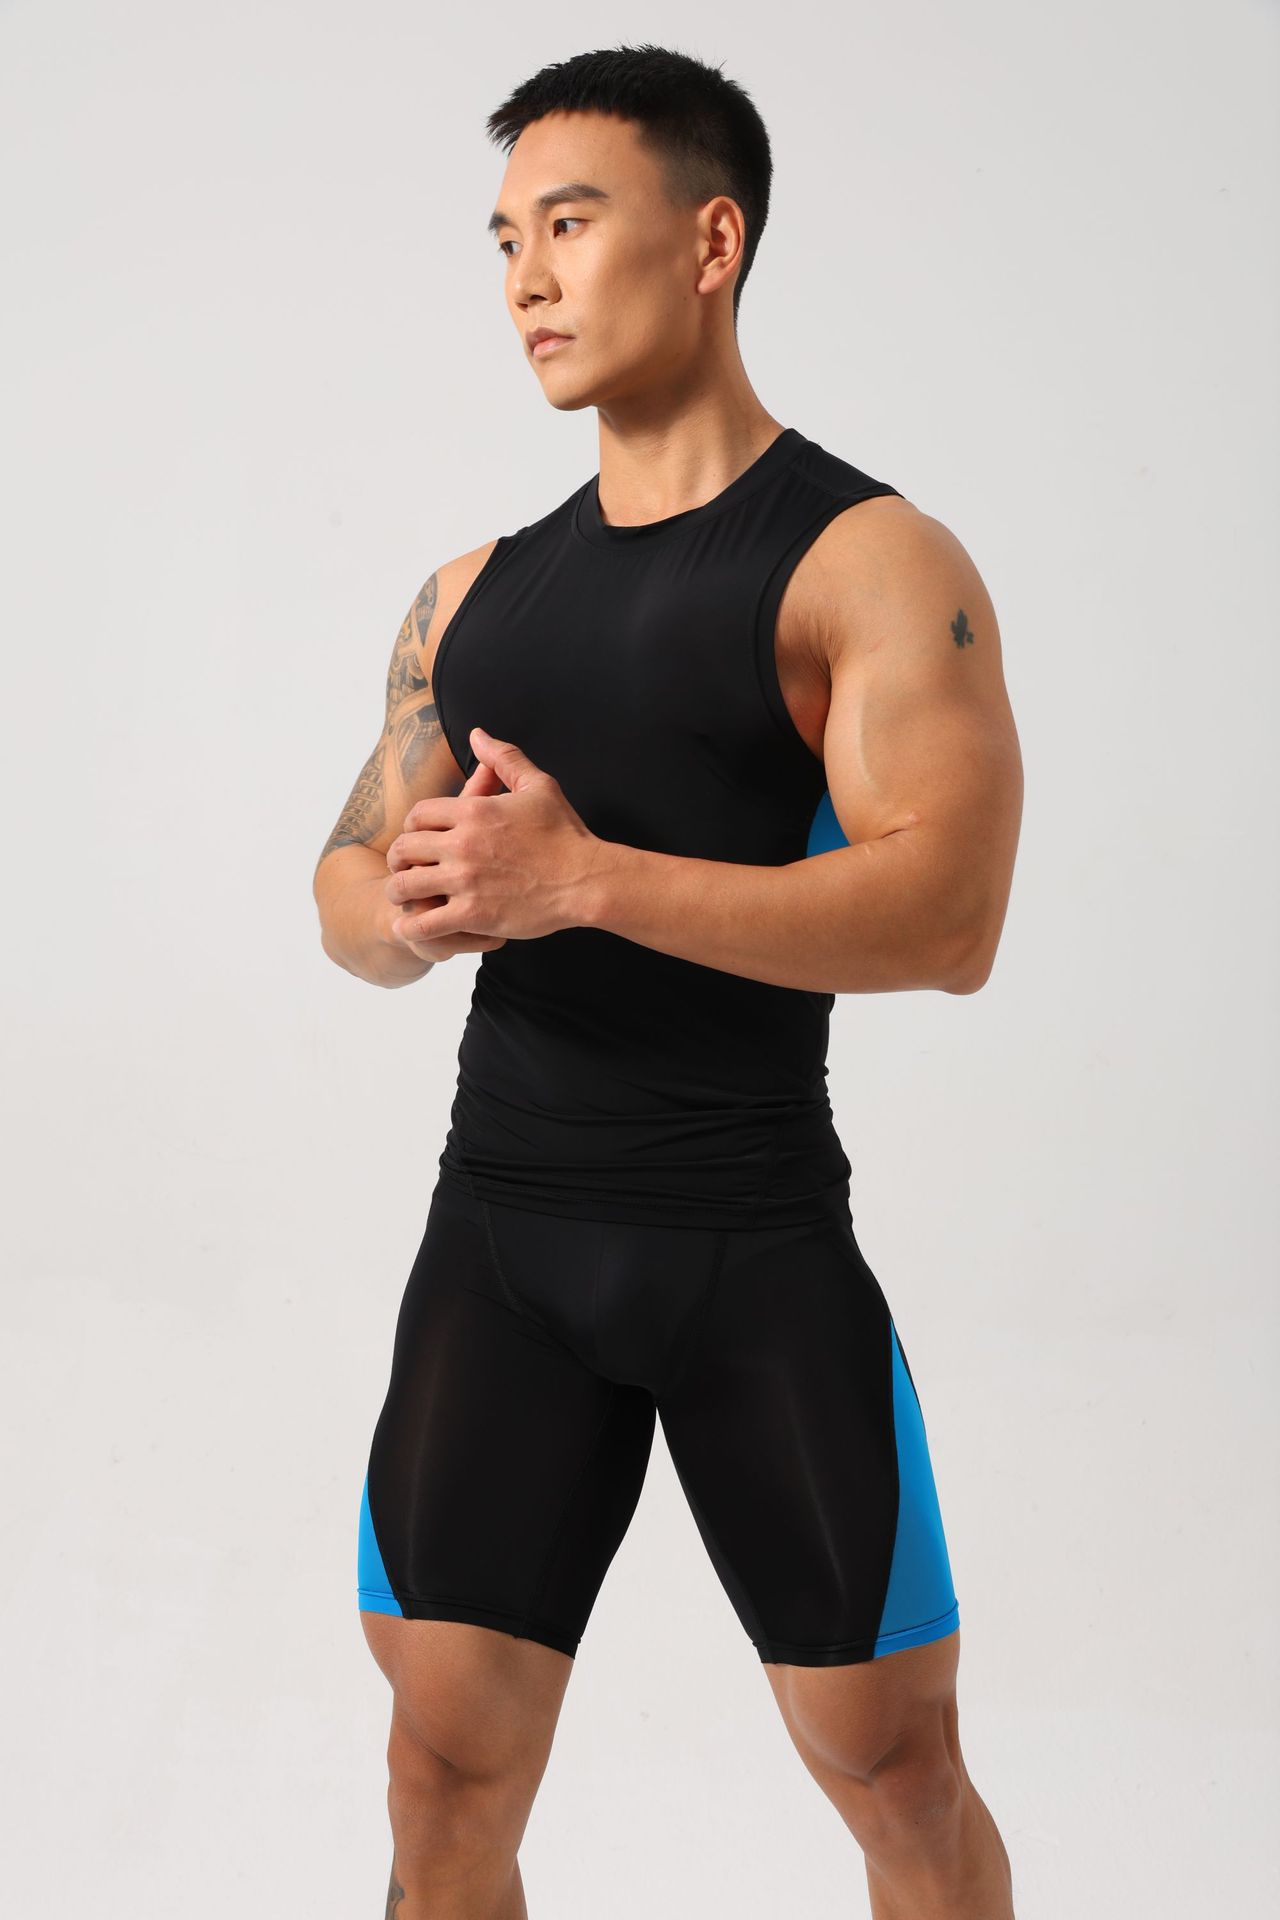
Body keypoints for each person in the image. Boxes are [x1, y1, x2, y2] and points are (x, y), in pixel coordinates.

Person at [313, 42, 1022, 1920]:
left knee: (896, 1773)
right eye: (503, 241)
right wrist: (422, 912)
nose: (526, 280)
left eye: (569, 224)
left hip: (748, 1244)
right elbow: (343, 888)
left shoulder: (869, 562)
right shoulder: (472, 598)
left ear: (712, 243)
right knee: (440, 1769)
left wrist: (585, 882)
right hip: (503, 1242)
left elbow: (950, 918)